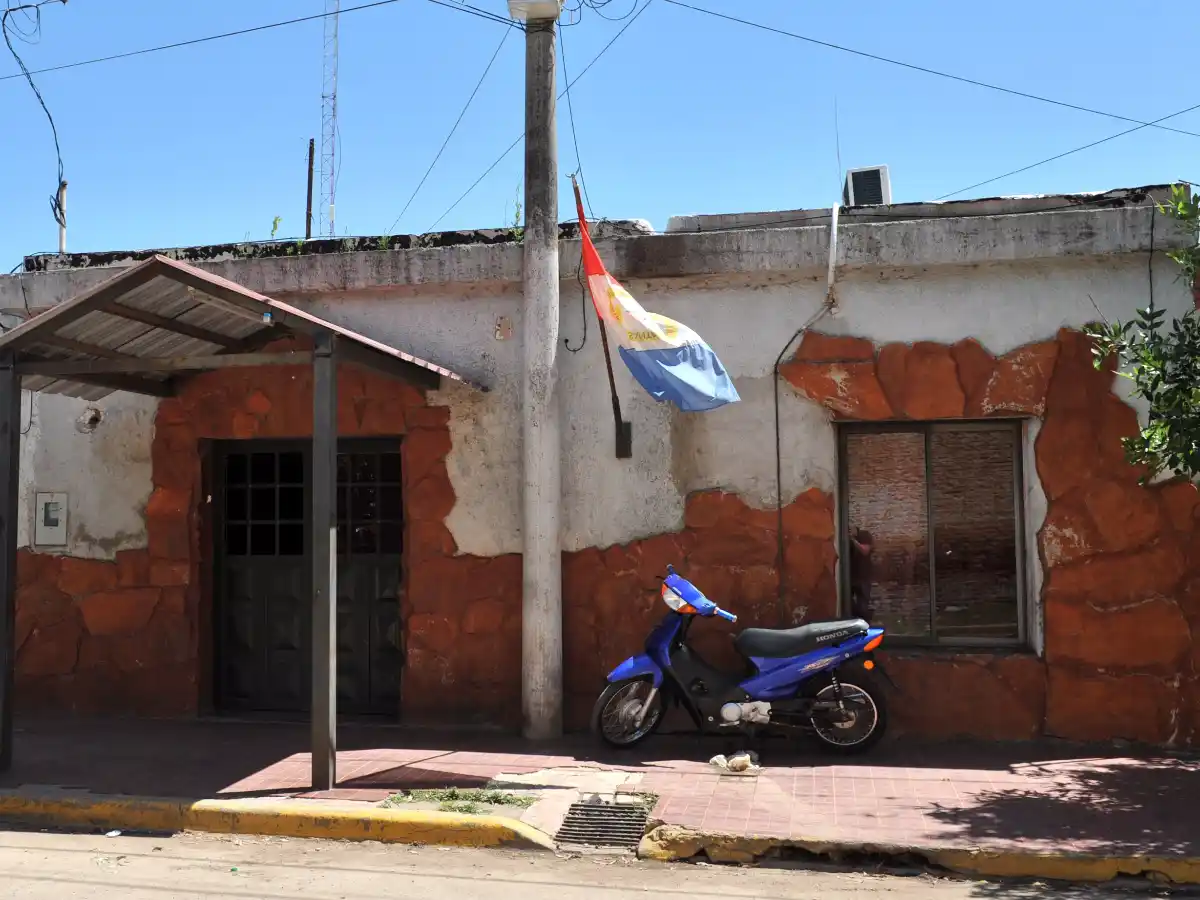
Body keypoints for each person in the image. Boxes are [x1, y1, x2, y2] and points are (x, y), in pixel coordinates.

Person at [849, 527, 874, 621]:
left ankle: (864, 625)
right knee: (848, 605)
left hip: (864, 576)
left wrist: (853, 540)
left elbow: (865, 551)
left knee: (863, 605)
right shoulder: (845, 539)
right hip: (850, 578)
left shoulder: (864, 535)